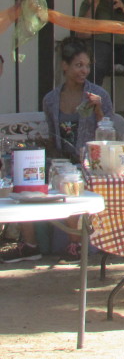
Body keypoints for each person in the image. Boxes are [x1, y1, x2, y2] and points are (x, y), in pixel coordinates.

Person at [1, 39, 112, 263]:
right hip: (61, 162)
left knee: (70, 182)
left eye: (87, 66)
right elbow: (54, 136)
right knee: (26, 180)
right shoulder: (51, 100)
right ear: (65, 66)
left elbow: (109, 133)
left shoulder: (97, 95)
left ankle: (74, 245)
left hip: (89, 163)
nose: (84, 71)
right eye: (78, 65)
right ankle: (30, 245)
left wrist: (99, 109)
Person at [75, 0, 124, 86]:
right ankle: (91, 102)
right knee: (95, 66)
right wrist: (94, 5)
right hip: (101, 43)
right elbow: (82, 33)